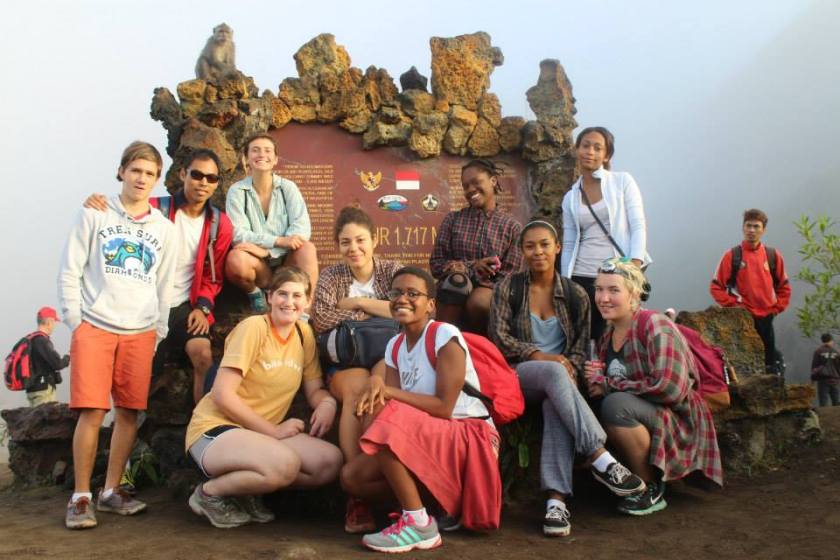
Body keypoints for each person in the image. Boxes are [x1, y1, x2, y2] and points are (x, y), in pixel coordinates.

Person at [489, 221, 644, 537]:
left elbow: (578, 348)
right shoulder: (509, 287)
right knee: (553, 373)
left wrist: (568, 372)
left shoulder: (575, 294)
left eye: (545, 244)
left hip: (559, 381)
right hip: (518, 375)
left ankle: (555, 505)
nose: (538, 252)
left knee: (554, 402)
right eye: (530, 246)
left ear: (558, 247)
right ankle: (600, 457)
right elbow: (499, 339)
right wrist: (542, 357)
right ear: (522, 251)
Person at [58, 141, 177, 530]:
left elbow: (165, 284)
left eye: (150, 173)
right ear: (122, 171)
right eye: (136, 170)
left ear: (157, 179)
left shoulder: (164, 229)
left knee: (128, 413)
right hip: (96, 325)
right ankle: (80, 497)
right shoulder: (94, 213)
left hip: (140, 331)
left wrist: (158, 330)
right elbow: (70, 269)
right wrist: (76, 320)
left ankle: (111, 490)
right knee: (92, 411)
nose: (142, 178)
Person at [341, 267, 501, 553]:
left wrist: (385, 391)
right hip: (430, 436)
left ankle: (418, 525)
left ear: (430, 305)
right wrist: (375, 393)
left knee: (385, 416)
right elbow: (388, 406)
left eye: (413, 293)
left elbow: (443, 407)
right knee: (353, 477)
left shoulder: (444, 334)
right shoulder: (395, 345)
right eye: (396, 293)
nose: (403, 298)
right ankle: (428, 507)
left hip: (467, 433)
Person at [185, 266, 342, 529]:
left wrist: (327, 403)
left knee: (329, 462)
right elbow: (223, 394)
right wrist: (274, 431)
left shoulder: (304, 337)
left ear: (307, 302)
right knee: (285, 464)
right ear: (269, 297)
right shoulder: (254, 328)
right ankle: (208, 494)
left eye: (297, 296)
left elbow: (314, 389)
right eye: (282, 294)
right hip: (215, 432)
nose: (289, 302)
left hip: (259, 438)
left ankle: (245, 492)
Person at [83, 149, 234, 404]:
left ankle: (202, 427)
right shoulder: (155, 210)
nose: (203, 183)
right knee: (135, 375)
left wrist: (203, 307)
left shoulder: (220, 224)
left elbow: (213, 275)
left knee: (203, 356)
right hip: (145, 303)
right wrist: (98, 204)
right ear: (183, 174)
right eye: (197, 175)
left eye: (211, 178)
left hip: (183, 306)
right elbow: (119, 218)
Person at [584, 257, 723, 516]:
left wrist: (609, 386)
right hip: (643, 411)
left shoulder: (655, 325)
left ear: (634, 294)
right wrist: (596, 380)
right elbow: (613, 380)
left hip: (677, 415)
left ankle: (649, 488)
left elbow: (671, 388)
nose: (603, 298)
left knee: (615, 404)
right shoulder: (607, 335)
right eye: (599, 289)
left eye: (614, 290)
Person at [311, 206, 402, 533]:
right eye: (346, 242)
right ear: (338, 246)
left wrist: (358, 305)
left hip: (385, 353)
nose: (354, 249)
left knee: (376, 391)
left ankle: (378, 478)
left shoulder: (392, 271)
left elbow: (404, 311)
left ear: (374, 240)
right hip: (345, 361)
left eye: (361, 240)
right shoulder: (331, 276)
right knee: (354, 392)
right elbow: (320, 319)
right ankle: (357, 494)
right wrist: (378, 317)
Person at [561, 126, 651, 342]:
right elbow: (570, 241)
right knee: (589, 334)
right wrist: (565, 282)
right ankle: (592, 375)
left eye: (597, 147)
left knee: (622, 330)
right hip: (582, 273)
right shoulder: (570, 197)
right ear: (577, 150)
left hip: (617, 270)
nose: (589, 152)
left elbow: (638, 224)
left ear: (606, 155)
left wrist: (633, 269)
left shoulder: (622, 182)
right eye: (585, 146)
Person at [225, 133, 318, 313]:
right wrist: (278, 241)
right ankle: (257, 294)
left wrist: (269, 251)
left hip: (286, 262)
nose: (262, 155)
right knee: (236, 259)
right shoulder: (237, 191)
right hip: (258, 267)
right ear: (246, 158)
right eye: (255, 150)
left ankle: (306, 310)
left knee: (307, 248)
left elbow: (302, 228)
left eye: (268, 151)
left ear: (275, 159)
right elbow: (237, 234)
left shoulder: (288, 188)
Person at [429, 159, 523, 333]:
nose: (470, 189)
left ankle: (479, 346)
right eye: (465, 186)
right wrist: (473, 266)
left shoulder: (512, 227)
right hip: (452, 293)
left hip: (489, 294)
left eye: (476, 182)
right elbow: (436, 264)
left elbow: (510, 277)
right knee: (458, 282)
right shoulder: (453, 220)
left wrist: (477, 279)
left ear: (493, 181)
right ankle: (440, 341)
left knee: (479, 300)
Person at [710, 208, 791, 375]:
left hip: (767, 316)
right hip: (743, 318)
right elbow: (716, 287)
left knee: (769, 363)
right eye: (748, 226)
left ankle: (772, 387)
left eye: (756, 226)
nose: (752, 230)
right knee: (744, 365)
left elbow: (784, 286)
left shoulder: (772, 255)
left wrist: (777, 308)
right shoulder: (733, 255)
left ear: (763, 230)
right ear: (743, 227)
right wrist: (734, 305)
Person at [24, 306, 69, 407]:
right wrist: (68, 358)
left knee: (34, 420)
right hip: (43, 390)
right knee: (45, 422)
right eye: (54, 323)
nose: (54, 326)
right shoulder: (42, 341)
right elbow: (57, 364)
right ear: (49, 323)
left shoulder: (30, 339)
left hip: (32, 389)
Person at [811, 333, 840, 407]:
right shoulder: (836, 352)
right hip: (834, 380)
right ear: (831, 340)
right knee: (836, 403)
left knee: (823, 403)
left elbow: (814, 366)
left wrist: (813, 380)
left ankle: (824, 417)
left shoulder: (818, 351)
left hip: (823, 380)